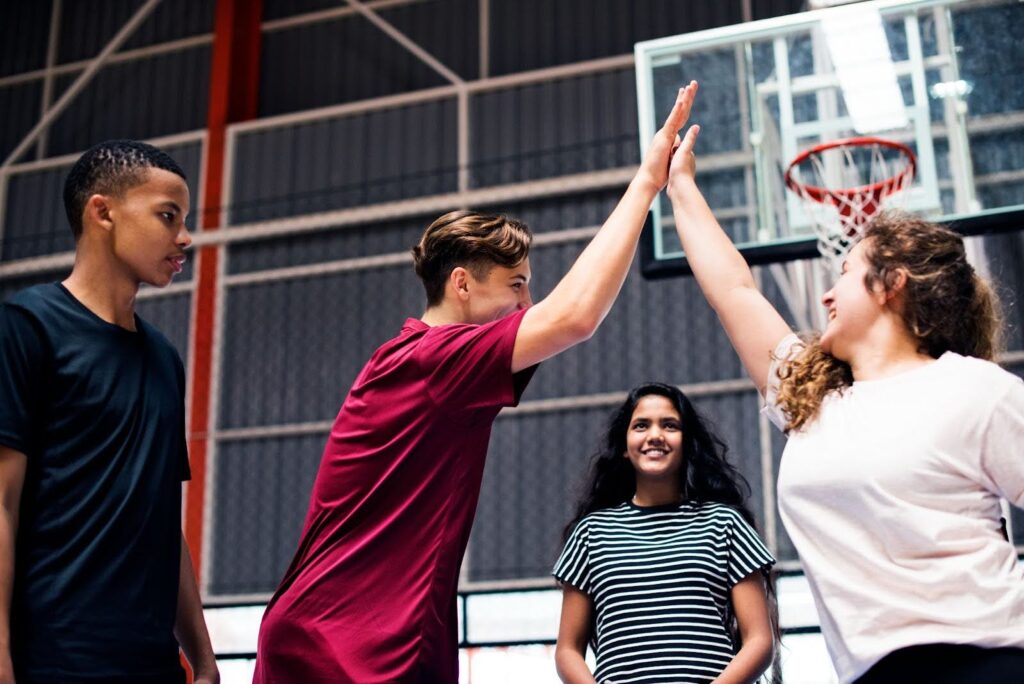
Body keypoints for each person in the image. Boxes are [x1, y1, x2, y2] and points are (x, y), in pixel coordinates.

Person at [251, 82, 701, 684]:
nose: (526, 300)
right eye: (515, 284)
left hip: (381, 635)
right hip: (341, 642)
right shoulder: (434, 357)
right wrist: (647, 183)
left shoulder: (430, 361)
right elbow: (574, 316)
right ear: (462, 284)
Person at [664, 123, 1024, 682]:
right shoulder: (814, 404)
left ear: (890, 285)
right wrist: (679, 184)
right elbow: (733, 289)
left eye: (845, 274)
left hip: (987, 659)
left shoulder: (976, 389)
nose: (827, 294)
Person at [0, 140, 218, 684]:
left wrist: (204, 657)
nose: (185, 237)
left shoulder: (165, 358)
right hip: (54, 660)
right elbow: (0, 505)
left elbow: (164, 523)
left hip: (152, 663)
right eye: (168, 216)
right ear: (102, 212)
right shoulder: (26, 327)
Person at [553, 382, 777, 684]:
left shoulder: (725, 523)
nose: (655, 435)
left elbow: (760, 642)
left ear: (687, 442)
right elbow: (567, 651)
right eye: (641, 425)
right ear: (624, 445)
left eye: (670, 425)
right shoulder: (591, 533)